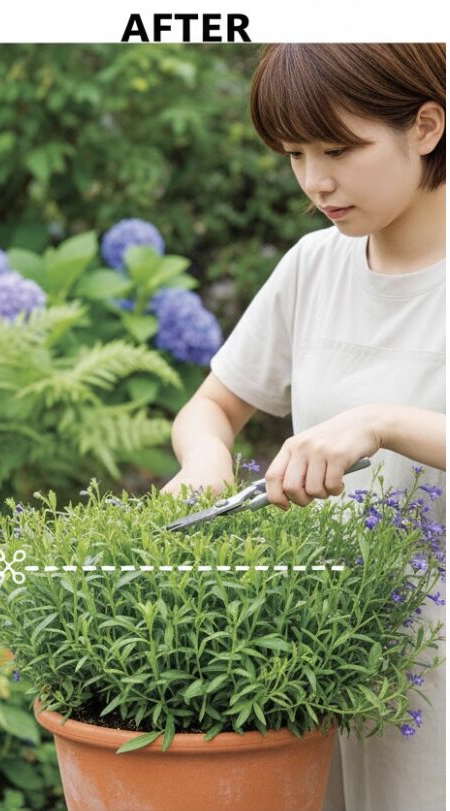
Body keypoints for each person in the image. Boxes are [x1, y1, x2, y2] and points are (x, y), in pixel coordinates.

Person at [162, 44, 445, 811]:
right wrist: (206, 459)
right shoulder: (315, 266)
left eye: (339, 149)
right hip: (315, 642)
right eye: (295, 154)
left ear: (425, 125)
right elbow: (211, 406)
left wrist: (380, 422)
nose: (315, 180)